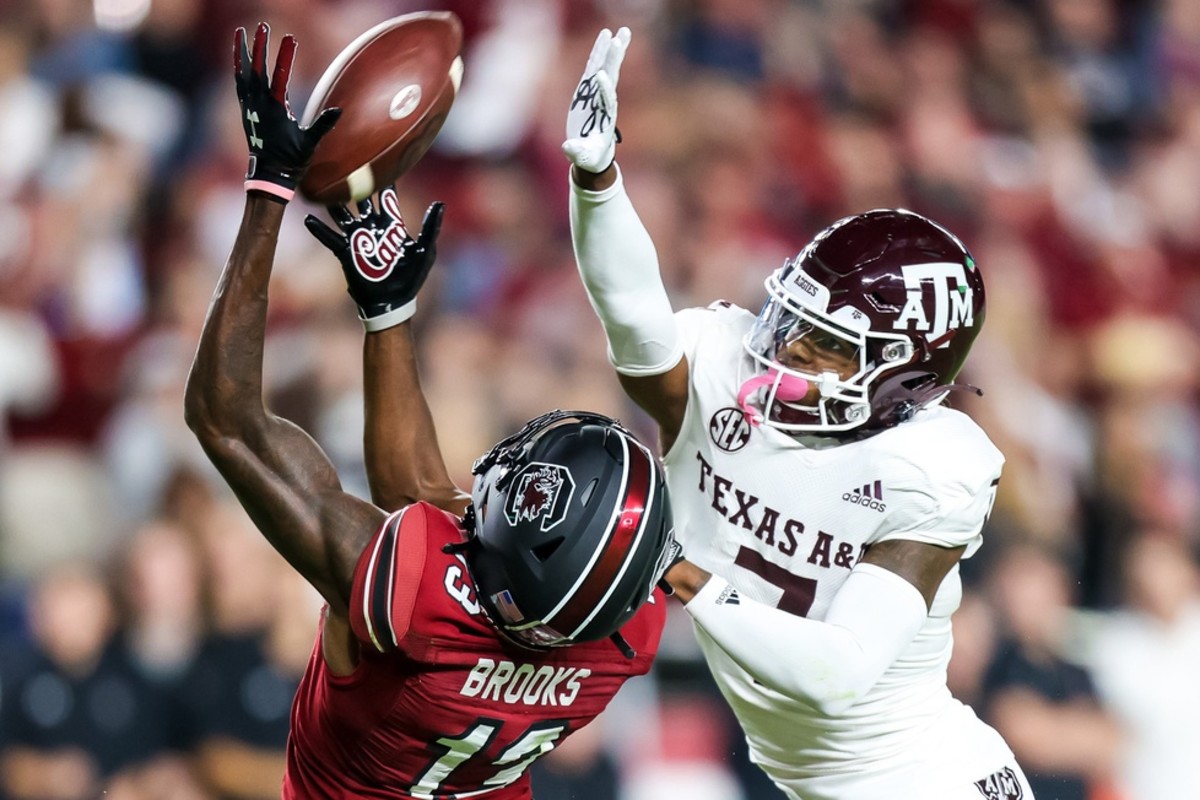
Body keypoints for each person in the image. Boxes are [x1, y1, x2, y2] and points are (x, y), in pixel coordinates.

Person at [183, 23, 674, 799]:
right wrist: (389, 316)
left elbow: (225, 420)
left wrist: (269, 187)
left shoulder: (414, 604)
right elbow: (426, 505)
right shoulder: (617, 636)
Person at [561, 27, 1036, 800]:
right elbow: (632, 314)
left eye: (826, 345)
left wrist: (674, 569)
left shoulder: (932, 468)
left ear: (903, 377)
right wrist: (599, 181)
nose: (785, 353)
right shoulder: (720, 367)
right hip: (812, 783)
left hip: (929, 781)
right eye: (791, 322)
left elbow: (837, 673)